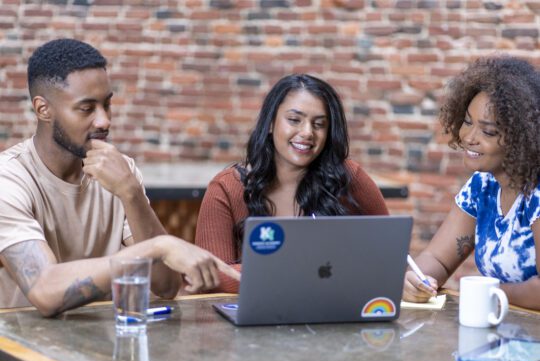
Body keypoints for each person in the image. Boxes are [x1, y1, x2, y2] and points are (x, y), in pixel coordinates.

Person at [0, 38, 239, 361]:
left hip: (108, 355)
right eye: (87, 108)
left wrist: (131, 193)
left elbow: (163, 288)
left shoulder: (121, 173)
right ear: (43, 109)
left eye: (107, 103)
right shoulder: (8, 180)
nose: (105, 121)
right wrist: (158, 247)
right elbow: (44, 291)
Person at [195, 74, 389, 293]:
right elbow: (211, 278)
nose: (307, 133)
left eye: (319, 124)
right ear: (270, 123)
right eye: (294, 120)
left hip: (332, 317)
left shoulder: (348, 177)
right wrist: (312, 268)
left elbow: (390, 254)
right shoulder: (226, 188)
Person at [402, 56, 540, 310]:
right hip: (497, 331)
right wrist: (415, 281)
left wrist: (485, 291)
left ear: (522, 138)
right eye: (467, 122)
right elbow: (438, 259)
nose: (469, 137)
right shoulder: (482, 186)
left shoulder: (536, 194)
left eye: (488, 132)